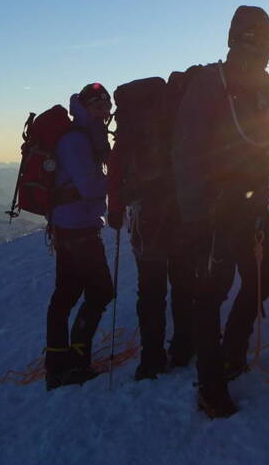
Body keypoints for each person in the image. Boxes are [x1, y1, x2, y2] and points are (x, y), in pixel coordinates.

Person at [172, 5, 269, 418]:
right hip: (213, 207)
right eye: (254, 38)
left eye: (267, 40)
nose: (261, 47)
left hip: (250, 204)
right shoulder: (209, 84)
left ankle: (231, 353)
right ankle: (211, 385)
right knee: (212, 293)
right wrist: (195, 213)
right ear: (236, 39)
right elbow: (186, 154)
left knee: (260, 280)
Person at [107, 79, 197, 381]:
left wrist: (116, 210)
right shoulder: (175, 119)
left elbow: (116, 169)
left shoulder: (131, 131)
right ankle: (184, 347)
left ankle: (152, 358)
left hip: (146, 218)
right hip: (180, 213)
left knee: (151, 291)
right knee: (183, 283)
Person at [44, 83, 117, 390]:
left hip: (69, 225)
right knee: (100, 291)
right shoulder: (77, 141)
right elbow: (89, 187)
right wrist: (120, 182)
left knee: (67, 293)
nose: (104, 112)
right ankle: (76, 362)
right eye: (98, 106)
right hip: (78, 227)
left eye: (106, 106)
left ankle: (58, 364)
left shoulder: (85, 136)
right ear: (85, 108)